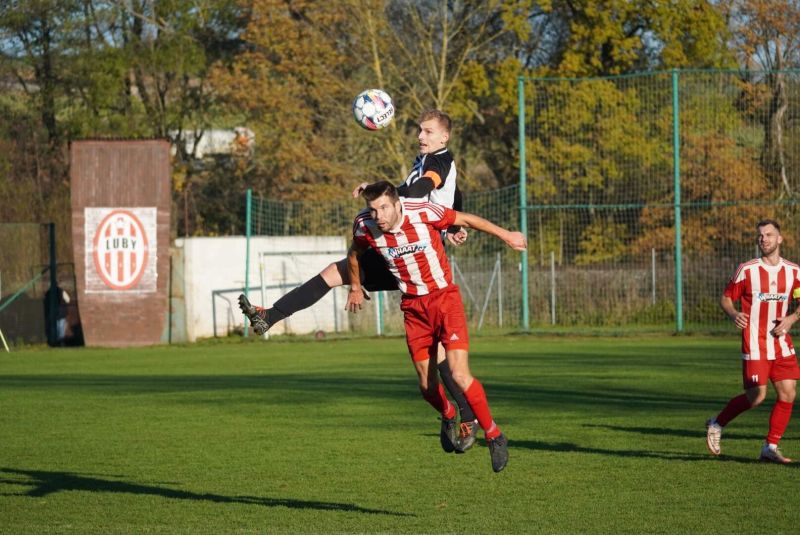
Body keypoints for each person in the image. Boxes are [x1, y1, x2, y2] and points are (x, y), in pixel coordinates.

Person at [239, 110, 479, 453]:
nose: (420, 136)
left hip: (420, 258)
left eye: (427, 131)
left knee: (441, 353)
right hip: (403, 249)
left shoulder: (437, 162)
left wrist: (413, 202)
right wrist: (450, 222)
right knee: (334, 273)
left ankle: (465, 416)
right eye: (419, 130)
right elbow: (446, 194)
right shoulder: (428, 160)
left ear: (444, 138)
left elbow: (424, 187)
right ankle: (269, 317)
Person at [345, 181, 526, 472]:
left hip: (444, 300)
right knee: (427, 388)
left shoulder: (422, 212)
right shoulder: (365, 226)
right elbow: (354, 253)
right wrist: (355, 285)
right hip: (413, 308)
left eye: (383, 207)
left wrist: (506, 236)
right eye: (372, 209)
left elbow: (466, 219)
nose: (378, 215)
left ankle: (494, 435)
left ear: (397, 203)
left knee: (459, 373)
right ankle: (448, 412)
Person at [705, 219, 800, 464]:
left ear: (780, 239)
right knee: (756, 396)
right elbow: (726, 298)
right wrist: (734, 313)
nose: (764, 239)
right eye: (760, 235)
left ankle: (770, 447)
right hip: (755, 342)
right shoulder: (747, 270)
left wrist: (791, 318)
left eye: (769, 234)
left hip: (781, 343)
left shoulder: (793, 272)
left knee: (788, 393)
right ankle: (717, 423)